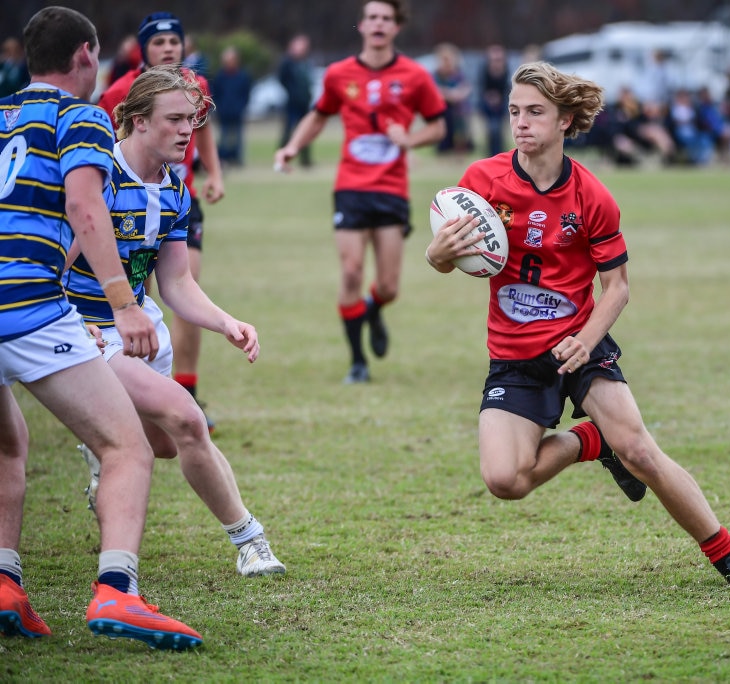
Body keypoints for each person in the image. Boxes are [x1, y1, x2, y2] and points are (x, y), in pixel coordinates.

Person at [425, 61, 730, 589]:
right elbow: (450, 259)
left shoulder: (592, 197)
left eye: (535, 112)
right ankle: (593, 442)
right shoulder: (481, 181)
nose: (521, 122)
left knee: (640, 449)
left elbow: (619, 288)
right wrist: (437, 253)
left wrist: (586, 341)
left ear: (565, 120)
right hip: (515, 354)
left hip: (583, 343)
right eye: (515, 111)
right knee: (504, 480)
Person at [0, 6, 200, 649]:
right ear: (86, 55)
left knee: (8, 446)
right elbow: (86, 206)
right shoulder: (78, 115)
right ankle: (119, 591)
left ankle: (5, 582)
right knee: (127, 447)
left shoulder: (2, 115)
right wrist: (123, 302)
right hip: (28, 303)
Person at [66, 65, 286, 578]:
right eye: (175, 119)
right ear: (138, 121)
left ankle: (100, 444)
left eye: (194, 118)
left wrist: (226, 322)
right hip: (87, 334)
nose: (189, 130)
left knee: (163, 445)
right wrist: (75, 324)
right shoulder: (95, 178)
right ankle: (250, 541)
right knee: (188, 420)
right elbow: (46, 268)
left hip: (145, 333)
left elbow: (178, 283)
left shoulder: (174, 190)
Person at [274, 0, 446, 384]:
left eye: (386, 18)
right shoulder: (339, 74)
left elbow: (438, 127)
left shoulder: (415, 75)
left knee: (389, 286)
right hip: (351, 187)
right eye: (372, 18)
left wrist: (410, 139)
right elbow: (318, 117)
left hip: (391, 190)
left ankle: (372, 310)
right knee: (351, 272)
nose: (379, 24)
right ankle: (358, 362)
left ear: (396, 27)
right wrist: (292, 147)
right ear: (362, 26)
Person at [99, 12, 226, 429]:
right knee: (135, 291)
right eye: (159, 42)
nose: (169, 48)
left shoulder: (195, 87)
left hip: (174, 200)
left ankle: (183, 391)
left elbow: (179, 284)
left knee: (177, 283)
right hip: (123, 215)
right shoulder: (118, 99)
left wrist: (215, 173)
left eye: (176, 40)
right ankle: (124, 395)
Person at [278, 33, 314, 168]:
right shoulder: (287, 62)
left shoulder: (306, 62)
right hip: (292, 103)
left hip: (304, 102)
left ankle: (306, 159)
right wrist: (291, 92)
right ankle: (281, 156)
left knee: (306, 130)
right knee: (288, 130)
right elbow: (282, 79)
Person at [211, 45, 252, 166]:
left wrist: (241, 106)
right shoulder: (220, 76)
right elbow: (216, 93)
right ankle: (223, 158)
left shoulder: (243, 76)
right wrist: (219, 107)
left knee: (238, 137)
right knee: (224, 137)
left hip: (237, 111)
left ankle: (237, 158)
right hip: (224, 112)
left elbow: (246, 93)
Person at [433, 42, 473, 155]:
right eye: (444, 59)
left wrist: (454, 94)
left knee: (460, 129)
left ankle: (460, 149)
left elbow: (466, 88)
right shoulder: (436, 75)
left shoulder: (459, 74)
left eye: (449, 59)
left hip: (458, 110)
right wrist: (450, 94)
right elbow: (434, 90)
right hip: (442, 110)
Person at [479, 44, 510, 157]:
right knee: (491, 127)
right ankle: (491, 152)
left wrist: (499, 98)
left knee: (498, 128)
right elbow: (482, 89)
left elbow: (507, 89)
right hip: (488, 104)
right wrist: (490, 98)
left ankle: (499, 152)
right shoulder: (485, 71)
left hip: (502, 104)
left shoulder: (506, 71)